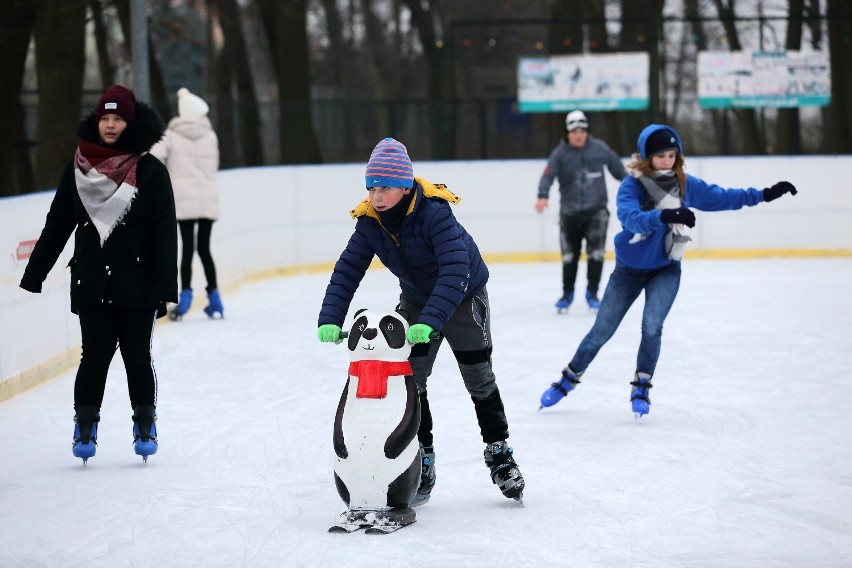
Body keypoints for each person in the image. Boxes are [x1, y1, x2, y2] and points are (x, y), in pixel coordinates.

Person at [317, 138, 525, 503]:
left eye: (385, 187)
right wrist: (330, 316)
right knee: (411, 380)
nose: (377, 196)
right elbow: (348, 269)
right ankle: (422, 456)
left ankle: (499, 452)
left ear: (405, 185)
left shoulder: (434, 212)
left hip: (464, 294)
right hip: (415, 299)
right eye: (371, 187)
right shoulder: (370, 222)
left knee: (478, 377)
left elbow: (456, 269)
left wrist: (431, 320)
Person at [539, 123, 798, 416]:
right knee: (602, 330)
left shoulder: (684, 184)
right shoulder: (632, 185)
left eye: (672, 155)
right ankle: (568, 379)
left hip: (666, 268)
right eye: (660, 156)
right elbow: (631, 218)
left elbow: (724, 197)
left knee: (652, 326)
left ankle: (641, 386)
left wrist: (764, 194)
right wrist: (665, 214)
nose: (667, 161)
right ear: (647, 157)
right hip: (629, 270)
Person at [19, 85, 177, 464]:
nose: (110, 125)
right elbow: (58, 224)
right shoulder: (78, 170)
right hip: (91, 281)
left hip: (137, 284)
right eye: (105, 118)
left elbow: (164, 232)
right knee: (94, 357)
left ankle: (144, 424)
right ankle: (85, 425)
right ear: (96, 121)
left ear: (129, 123)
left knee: (137, 356)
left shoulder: (150, 171)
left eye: (117, 118)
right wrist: (34, 273)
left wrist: (163, 289)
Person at [535, 109, 627, 312]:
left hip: (597, 213)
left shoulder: (600, 149)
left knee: (596, 254)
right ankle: (567, 294)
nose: (578, 135)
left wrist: (634, 185)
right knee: (569, 256)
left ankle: (592, 293)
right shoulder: (559, 154)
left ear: (587, 132)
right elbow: (547, 175)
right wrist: (543, 195)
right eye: (574, 131)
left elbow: (619, 170)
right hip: (570, 213)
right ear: (568, 133)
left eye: (582, 131)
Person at [150, 87, 223, 319]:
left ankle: (187, 295)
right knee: (204, 248)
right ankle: (215, 297)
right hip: (207, 199)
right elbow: (213, 166)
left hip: (182, 199)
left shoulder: (171, 134)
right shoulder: (210, 135)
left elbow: (153, 155)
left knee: (187, 249)